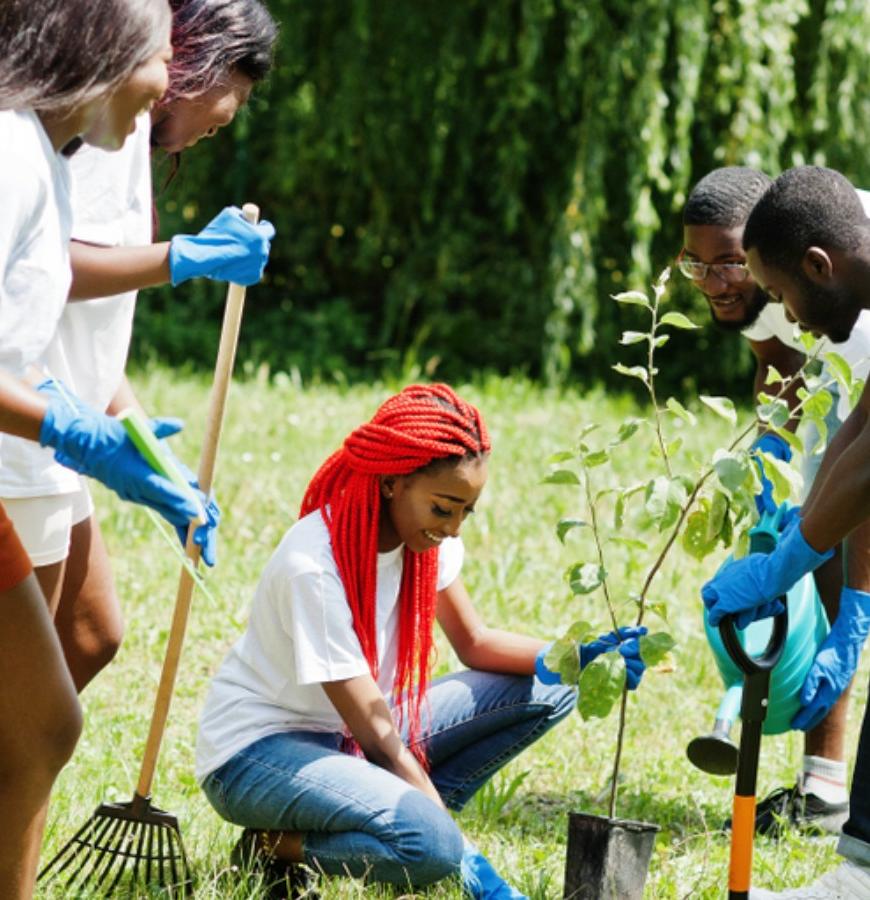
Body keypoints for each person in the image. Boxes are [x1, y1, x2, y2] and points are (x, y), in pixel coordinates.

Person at [195, 383, 648, 898]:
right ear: (392, 482)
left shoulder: (424, 543)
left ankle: (395, 817)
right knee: (433, 849)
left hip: (350, 740)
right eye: (444, 508)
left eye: (466, 511)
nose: (454, 528)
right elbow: (380, 742)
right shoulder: (315, 566)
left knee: (551, 686)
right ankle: (273, 845)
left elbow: (473, 642)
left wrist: (578, 657)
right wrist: (470, 861)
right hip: (258, 755)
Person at [1, 0, 278, 696]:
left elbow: (78, 316)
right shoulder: (92, 124)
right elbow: (50, 268)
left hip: (55, 405)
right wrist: (181, 258)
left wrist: (134, 432)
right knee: (36, 714)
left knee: (88, 637)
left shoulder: (121, 132)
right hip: (31, 419)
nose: (229, 117)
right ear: (188, 58)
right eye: (233, 92)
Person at [0, 0, 208, 894]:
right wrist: (70, 429)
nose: (170, 84)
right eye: (163, 56)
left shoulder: (43, 156)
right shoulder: (9, 153)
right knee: (40, 722)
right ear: (101, 48)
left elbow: (22, 343)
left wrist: (112, 431)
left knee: (36, 722)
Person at [680, 166, 870, 836]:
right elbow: (858, 431)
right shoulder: (837, 279)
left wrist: (791, 568)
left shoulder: (853, 316)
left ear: (813, 266)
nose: (784, 316)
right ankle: (847, 829)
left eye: (783, 296)